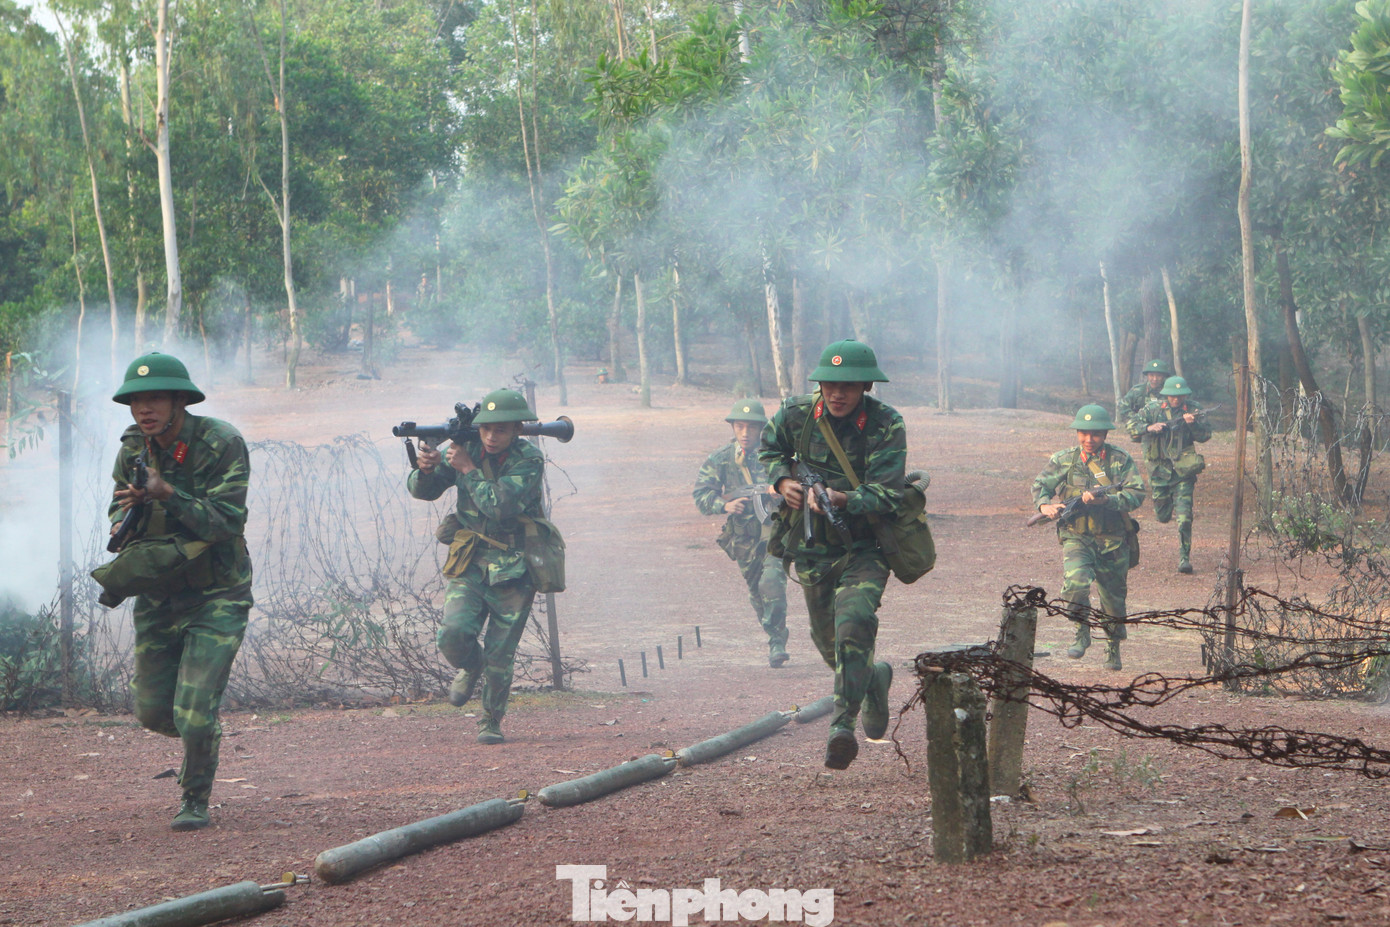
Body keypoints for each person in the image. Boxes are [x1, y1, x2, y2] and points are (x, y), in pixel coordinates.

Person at [105, 352, 253, 831]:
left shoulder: (220, 442)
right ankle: (202, 731)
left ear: (179, 400)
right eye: (136, 401)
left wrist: (167, 493)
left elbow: (227, 521)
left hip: (217, 592)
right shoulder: (133, 450)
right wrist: (126, 519)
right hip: (159, 591)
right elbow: (116, 507)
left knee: (192, 712)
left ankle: (194, 798)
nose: (144, 409)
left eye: (155, 399)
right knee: (152, 711)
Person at [759, 339, 903, 770]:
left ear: (865, 387)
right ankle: (874, 680)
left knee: (854, 622)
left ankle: (842, 726)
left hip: (865, 547)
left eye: (848, 386)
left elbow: (887, 492)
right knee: (832, 648)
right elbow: (769, 451)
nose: (837, 393)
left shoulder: (886, 425)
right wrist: (782, 480)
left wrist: (842, 499)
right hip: (813, 550)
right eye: (828, 384)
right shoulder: (795, 414)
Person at [408, 388, 546, 745]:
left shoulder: (528, 460)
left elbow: (499, 505)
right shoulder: (467, 452)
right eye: (486, 428)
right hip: (470, 560)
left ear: (517, 429)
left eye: (500, 429)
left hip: (515, 567)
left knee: (501, 653)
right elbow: (424, 492)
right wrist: (426, 468)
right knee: (452, 634)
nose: (490, 436)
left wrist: (467, 469)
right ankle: (471, 664)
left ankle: (490, 720)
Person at [1032, 404, 1145, 671]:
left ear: (1105, 433)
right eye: (1083, 433)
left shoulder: (1120, 460)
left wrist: (1107, 500)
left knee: (1113, 599)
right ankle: (1081, 630)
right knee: (1075, 584)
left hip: (1113, 540)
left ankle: (1113, 645)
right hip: (1077, 536)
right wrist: (1044, 505)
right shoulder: (1065, 459)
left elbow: (1136, 494)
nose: (1089, 439)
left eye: (1095, 434)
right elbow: (1041, 484)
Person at [692, 399, 790, 668]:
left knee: (772, 583)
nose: (745, 433)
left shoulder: (776, 456)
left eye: (751, 427)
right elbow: (701, 494)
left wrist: (779, 488)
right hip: (745, 538)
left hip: (776, 531)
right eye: (740, 426)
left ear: (762, 429)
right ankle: (775, 633)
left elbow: (798, 483)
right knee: (757, 592)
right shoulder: (722, 459)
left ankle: (776, 642)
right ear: (733, 427)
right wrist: (724, 505)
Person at [1127, 376, 1211, 574]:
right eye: (1172, 396)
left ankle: (1184, 558)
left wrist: (1192, 424)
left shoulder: (1194, 409)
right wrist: (1149, 427)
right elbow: (1131, 427)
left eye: (1180, 396)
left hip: (1183, 471)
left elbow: (1205, 436)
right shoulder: (1152, 409)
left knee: (1184, 517)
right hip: (1159, 471)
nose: (1176, 399)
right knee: (1163, 515)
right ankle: (1167, 504)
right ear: (1166, 395)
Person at [1118, 359, 1174, 434]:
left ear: (1164, 376)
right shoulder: (1138, 391)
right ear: (1147, 375)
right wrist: (1137, 420)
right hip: (1145, 432)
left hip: (1167, 431)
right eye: (1151, 375)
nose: (1155, 379)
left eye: (1159, 375)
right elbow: (1123, 407)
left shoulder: (1171, 392)